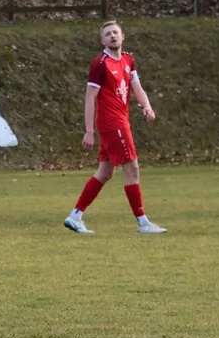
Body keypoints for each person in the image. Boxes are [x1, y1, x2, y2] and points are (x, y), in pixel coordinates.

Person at [64, 20, 167, 235]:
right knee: (132, 168)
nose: (112, 36)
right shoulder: (100, 64)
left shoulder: (128, 59)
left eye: (115, 32)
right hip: (112, 123)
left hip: (120, 121)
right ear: (102, 41)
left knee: (105, 172)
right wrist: (89, 130)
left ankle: (75, 216)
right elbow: (90, 98)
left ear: (122, 36)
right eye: (108, 34)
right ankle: (143, 223)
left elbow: (136, 86)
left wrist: (147, 106)